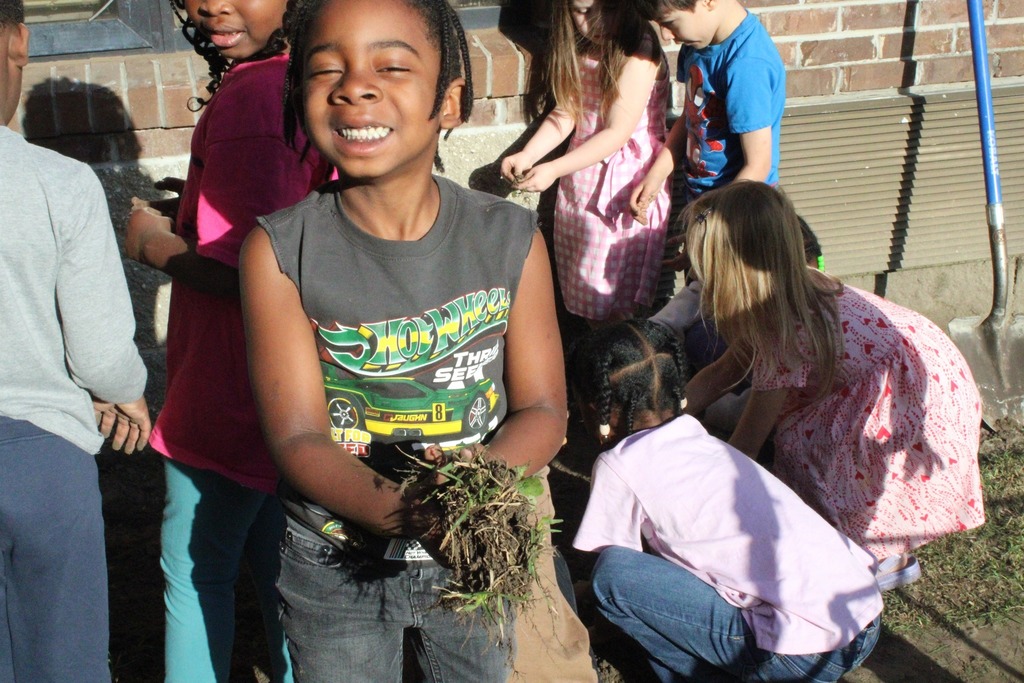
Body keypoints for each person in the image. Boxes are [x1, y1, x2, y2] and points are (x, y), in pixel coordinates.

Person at [240, 0, 593, 680]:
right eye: (325, 70)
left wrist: (468, 507)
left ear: (450, 100)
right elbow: (298, 439)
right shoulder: (279, 252)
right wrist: (408, 513)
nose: (355, 86)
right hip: (333, 561)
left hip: (471, 557)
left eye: (392, 65)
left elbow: (545, 410)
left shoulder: (509, 240)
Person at [124, 0, 327, 679]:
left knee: (194, 570)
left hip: (229, 391)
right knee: (282, 571)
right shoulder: (296, 75)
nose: (210, 3)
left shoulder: (253, 97)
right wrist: (197, 201)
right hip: (289, 390)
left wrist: (155, 243)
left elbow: (249, 270)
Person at [682, 181, 986, 590]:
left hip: (912, 404)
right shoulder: (794, 283)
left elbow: (746, 447)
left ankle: (869, 557)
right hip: (928, 376)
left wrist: (694, 495)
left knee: (800, 441)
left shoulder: (782, 329)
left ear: (732, 271)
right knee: (805, 430)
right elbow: (724, 371)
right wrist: (668, 413)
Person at [568, 319, 883, 682]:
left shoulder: (618, 465)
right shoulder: (707, 443)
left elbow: (620, 578)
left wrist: (586, 629)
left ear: (596, 410)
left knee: (613, 575)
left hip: (801, 651)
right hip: (863, 618)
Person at [0, 2, 152, 680]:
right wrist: (125, 393)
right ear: (18, 42)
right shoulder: (59, 182)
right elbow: (98, 352)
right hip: (41, 458)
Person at [500, 0, 670, 325]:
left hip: (621, 190)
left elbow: (617, 132)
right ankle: (596, 353)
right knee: (585, 294)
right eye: (582, 11)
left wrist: (552, 169)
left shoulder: (639, 52)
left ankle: (616, 358)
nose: (595, 21)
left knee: (610, 294)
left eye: (608, 8)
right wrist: (530, 154)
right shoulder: (583, 49)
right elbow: (567, 112)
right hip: (582, 183)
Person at [629, 0, 786, 216]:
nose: (665, 36)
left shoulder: (747, 65)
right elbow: (691, 118)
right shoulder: (697, 44)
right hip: (701, 201)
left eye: (670, 22)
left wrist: (713, 219)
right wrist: (656, 176)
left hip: (739, 213)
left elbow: (757, 166)